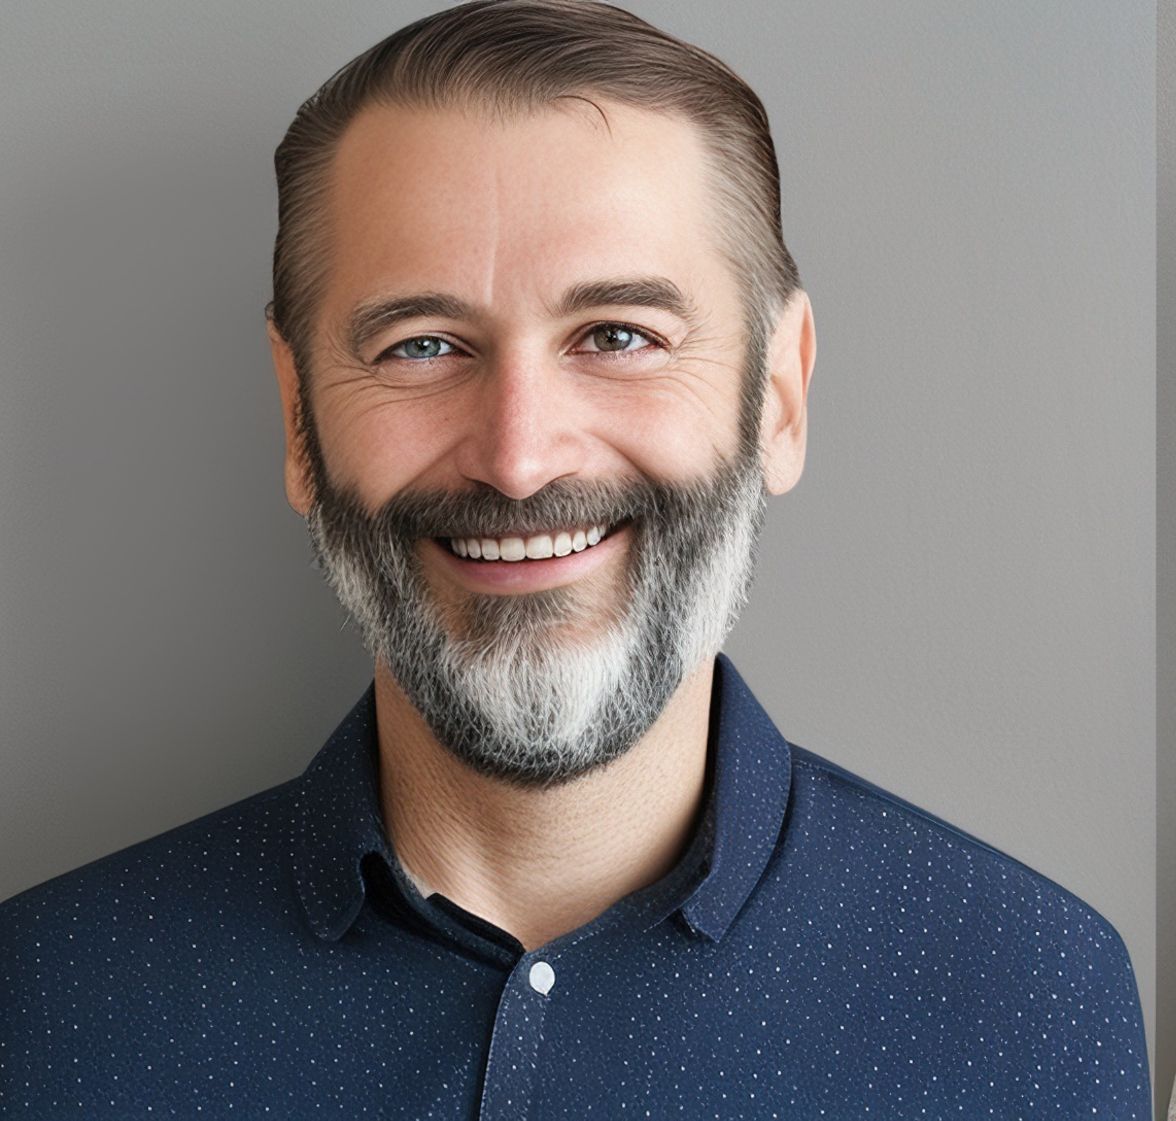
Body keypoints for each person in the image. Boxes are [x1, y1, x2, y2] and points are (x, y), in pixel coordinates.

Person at [0, 1, 1151, 1116]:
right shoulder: (46, 1011)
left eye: (618, 336)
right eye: (425, 344)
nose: (517, 456)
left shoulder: (1031, 1005)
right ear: (298, 418)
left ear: (782, 393)